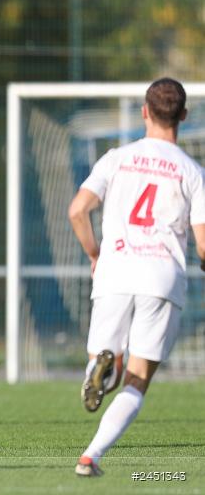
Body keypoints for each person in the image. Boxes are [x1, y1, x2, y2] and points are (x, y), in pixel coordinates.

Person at [68, 78, 205, 477]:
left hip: (115, 268)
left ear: (144, 112)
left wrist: (95, 253)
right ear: (183, 115)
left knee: (103, 365)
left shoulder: (116, 157)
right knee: (138, 379)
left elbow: (78, 211)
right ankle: (90, 456)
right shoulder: (193, 171)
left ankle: (99, 368)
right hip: (161, 276)